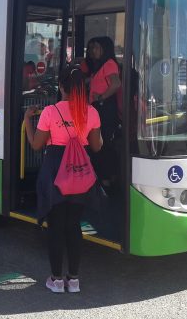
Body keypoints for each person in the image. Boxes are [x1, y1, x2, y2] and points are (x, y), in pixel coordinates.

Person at [23, 66, 103, 294]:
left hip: (55, 172)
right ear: (82, 89)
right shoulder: (92, 113)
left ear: (61, 87)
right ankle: (74, 280)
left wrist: (28, 120)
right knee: (73, 225)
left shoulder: (50, 112)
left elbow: (37, 145)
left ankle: (56, 280)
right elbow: (97, 147)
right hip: (80, 173)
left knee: (56, 226)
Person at [81, 36, 121, 186]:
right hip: (99, 107)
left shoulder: (109, 64)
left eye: (96, 47)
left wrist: (102, 97)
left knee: (101, 143)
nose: (93, 51)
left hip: (104, 108)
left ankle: (105, 178)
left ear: (105, 49)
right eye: (92, 48)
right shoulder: (100, 65)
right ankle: (106, 177)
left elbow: (116, 83)